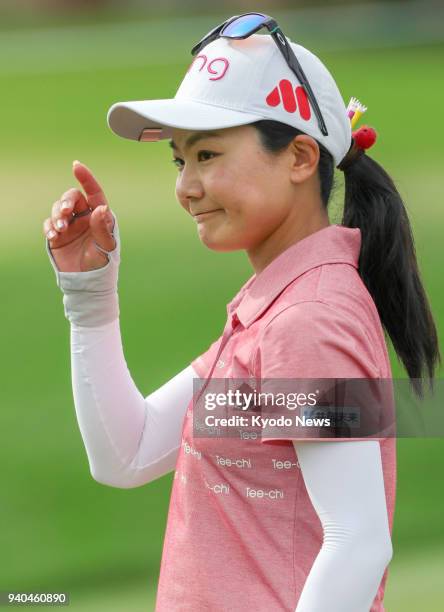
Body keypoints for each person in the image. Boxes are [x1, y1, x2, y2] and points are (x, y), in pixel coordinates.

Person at [42, 14, 440, 612]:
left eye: (207, 154)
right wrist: (89, 295)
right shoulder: (278, 310)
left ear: (301, 157)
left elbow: (359, 544)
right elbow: (128, 453)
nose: (187, 186)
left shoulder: (310, 318)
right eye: (180, 161)